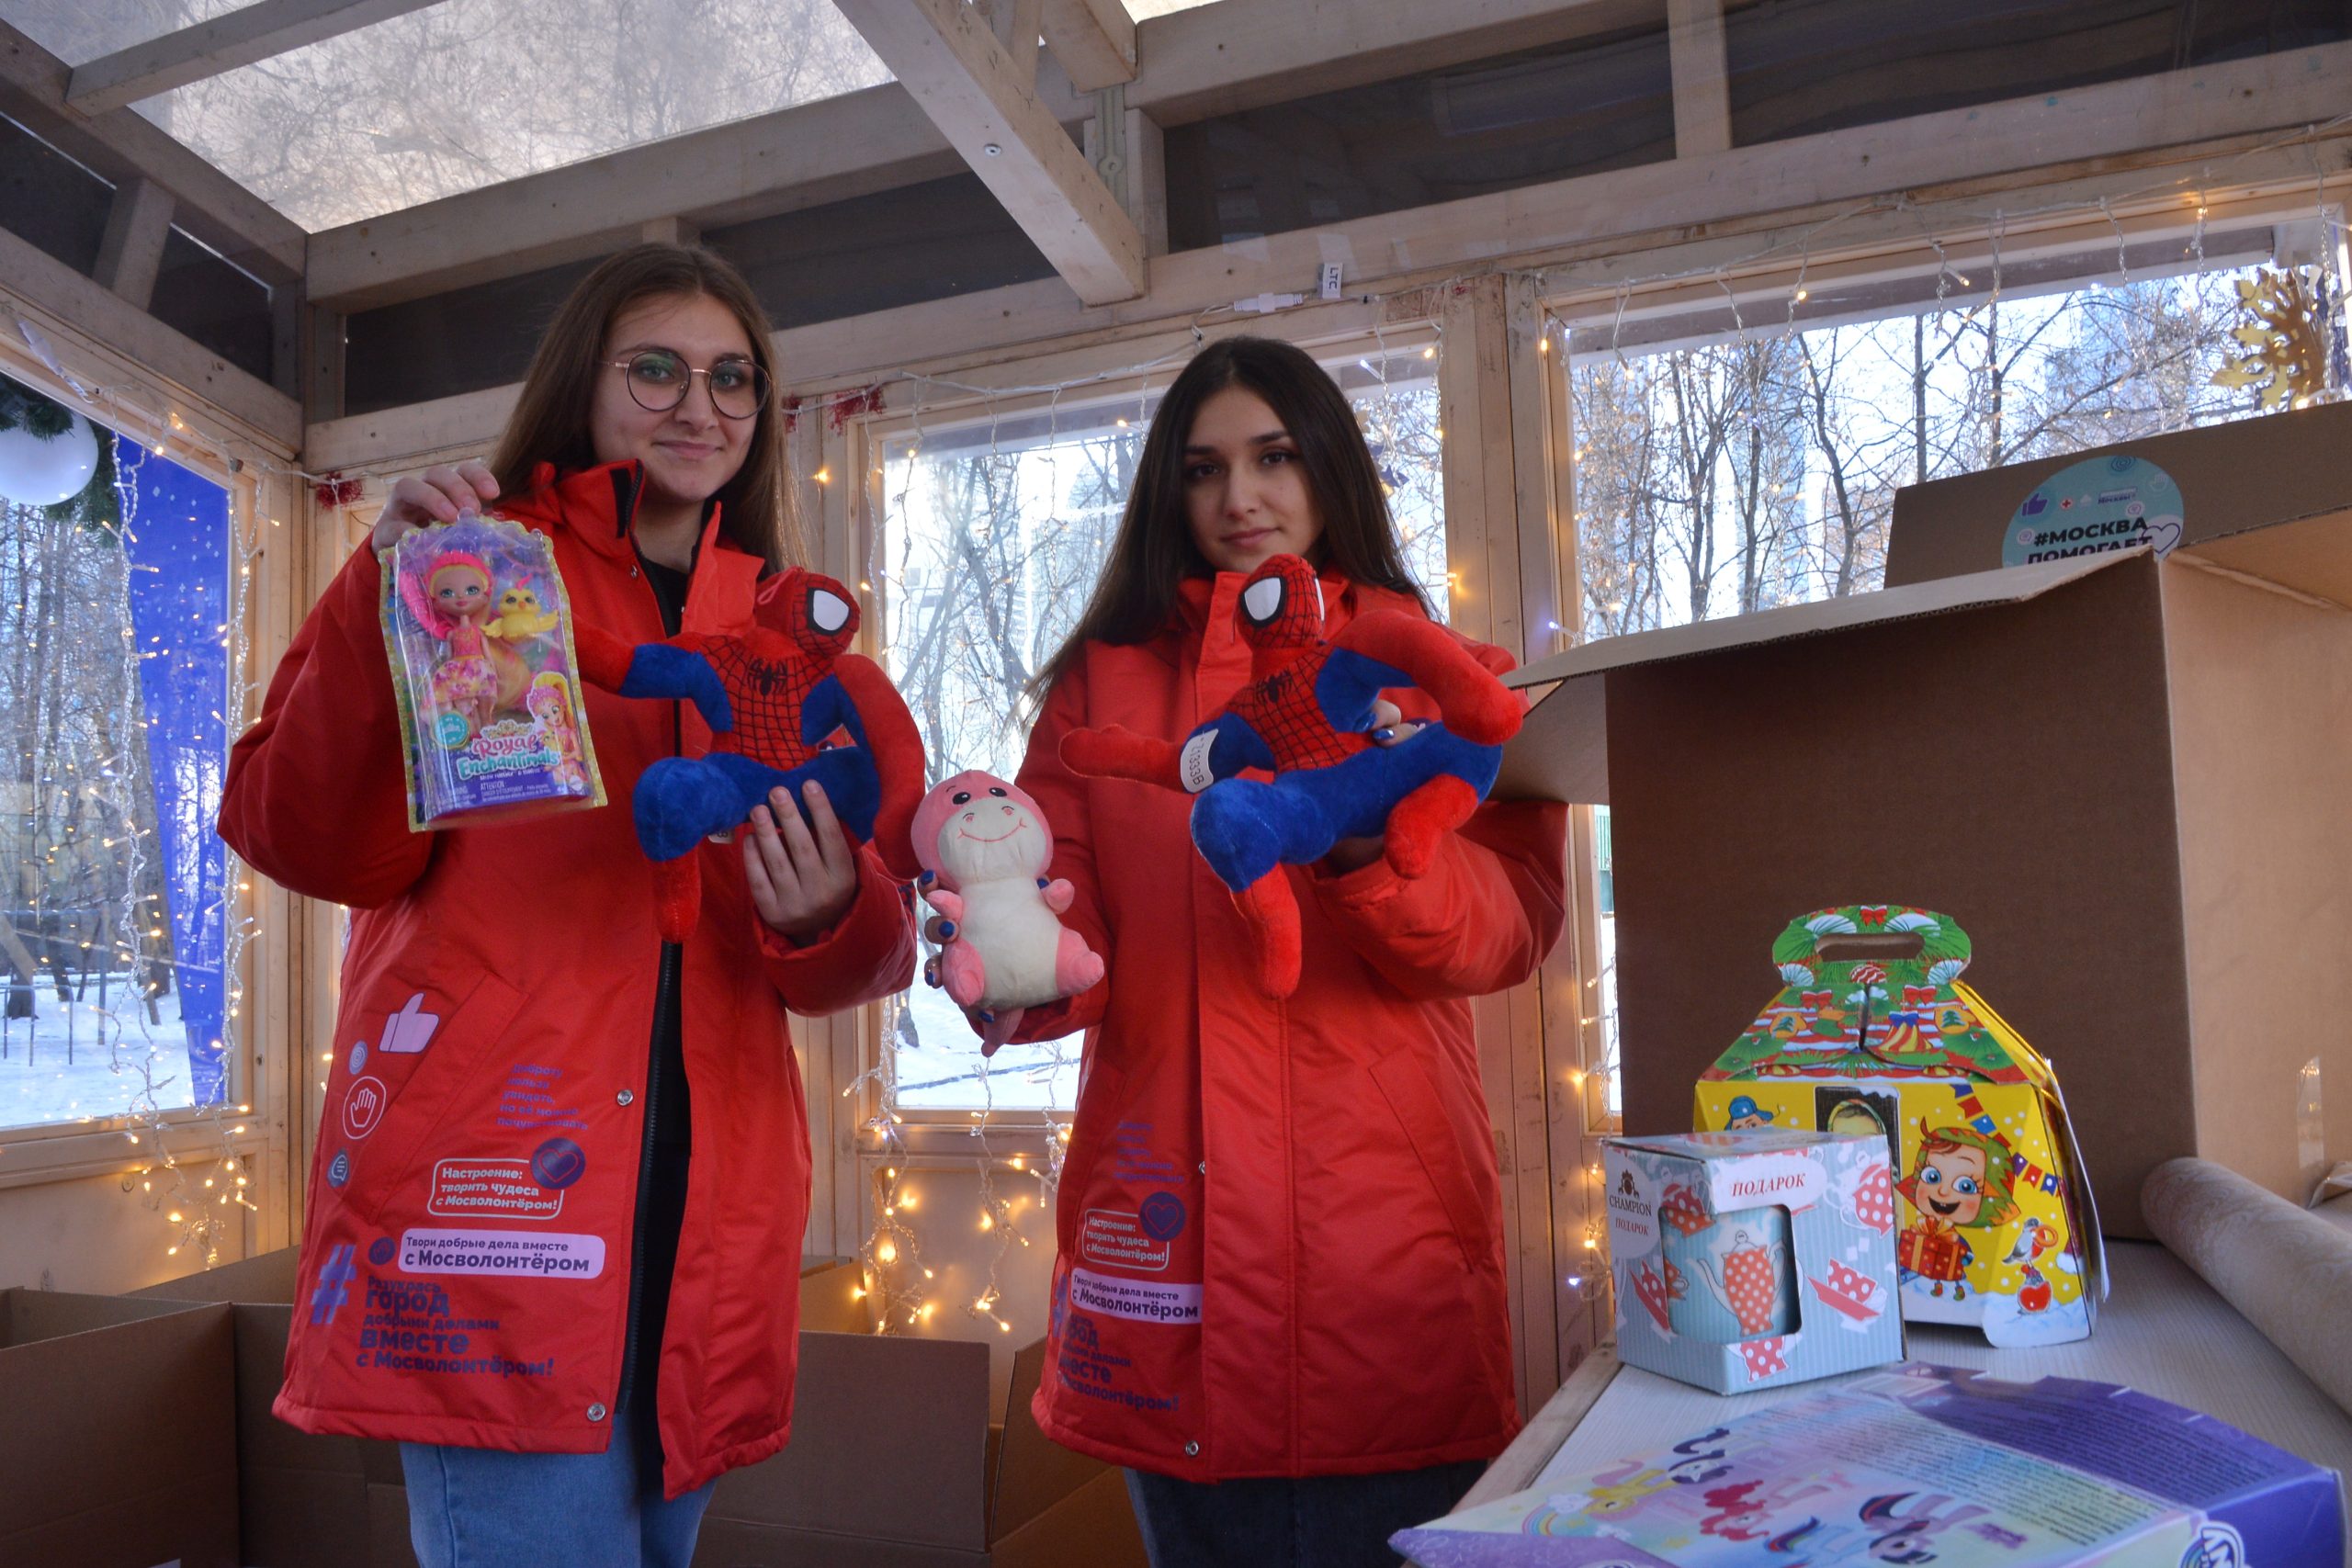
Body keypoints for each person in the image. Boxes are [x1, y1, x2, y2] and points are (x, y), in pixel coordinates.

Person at [219, 244, 916, 1568]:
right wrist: (383, 596)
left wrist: (836, 910)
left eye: (733, 377)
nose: (699, 405)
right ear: (580, 384)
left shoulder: (785, 625)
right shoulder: (467, 569)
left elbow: (854, 950)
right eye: (654, 367)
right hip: (499, 1208)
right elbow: (295, 833)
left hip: (707, 1225)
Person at [970, 335, 1566, 1566]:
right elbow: (1063, 920)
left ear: (1330, 469)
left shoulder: (1425, 664)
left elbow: (1508, 932)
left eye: (1273, 457)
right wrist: (1001, 953)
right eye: (1203, 469)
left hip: (1381, 1253)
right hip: (1167, 1250)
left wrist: (1367, 851)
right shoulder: (1100, 686)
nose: (1238, 497)